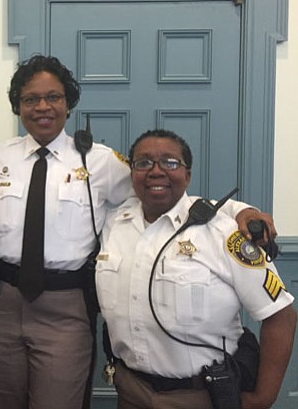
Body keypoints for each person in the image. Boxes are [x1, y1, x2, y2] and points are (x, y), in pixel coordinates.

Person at [0, 55, 274, 409]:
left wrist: (237, 209)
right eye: (31, 99)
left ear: (68, 104)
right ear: (18, 106)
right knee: (4, 401)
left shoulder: (100, 161)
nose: (42, 107)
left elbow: (162, 190)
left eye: (52, 98)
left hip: (66, 307)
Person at [96, 129, 296, 409]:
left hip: (201, 396)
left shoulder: (224, 234)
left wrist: (264, 396)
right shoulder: (113, 225)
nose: (156, 171)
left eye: (170, 162)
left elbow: (280, 314)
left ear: (187, 175)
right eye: (143, 163)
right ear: (131, 175)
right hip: (131, 391)